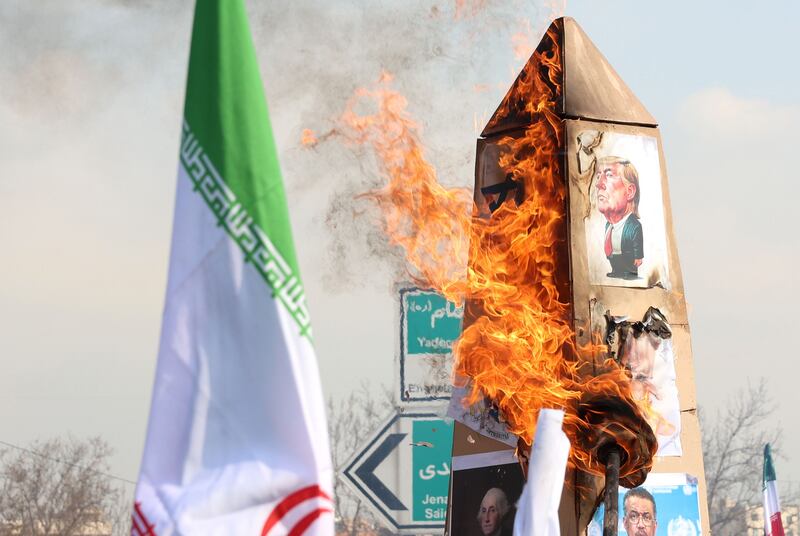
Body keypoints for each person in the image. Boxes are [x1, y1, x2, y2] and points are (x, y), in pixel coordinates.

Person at [595, 155, 643, 279]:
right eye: (598, 176)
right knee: (616, 264)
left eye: (609, 175)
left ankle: (629, 273)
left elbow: (637, 243)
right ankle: (616, 271)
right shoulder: (608, 226)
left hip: (628, 258)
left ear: (629, 191)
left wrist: (638, 257)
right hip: (614, 256)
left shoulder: (634, 226)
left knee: (627, 267)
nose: (598, 184)